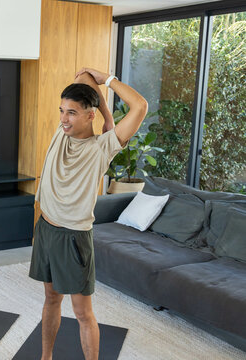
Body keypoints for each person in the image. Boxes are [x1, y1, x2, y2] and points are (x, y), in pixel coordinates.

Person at [29, 67, 148, 360]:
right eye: (62, 111)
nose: (63, 119)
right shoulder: (62, 134)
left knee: (82, 313)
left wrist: (107, 80)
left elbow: (140, 106)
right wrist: (104, 110)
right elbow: (83, 78)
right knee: (50, 298)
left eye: (71, 113)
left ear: (88, 115)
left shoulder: (103, 147)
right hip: (47, 228)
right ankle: (46, 358)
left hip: (73, 236)